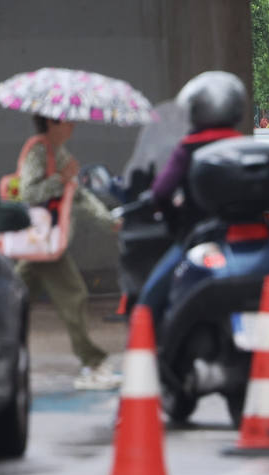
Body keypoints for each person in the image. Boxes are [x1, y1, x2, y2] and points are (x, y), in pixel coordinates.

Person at [16, 115, 122, 390]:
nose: (72, 126)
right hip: (44, 242)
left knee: (13, 299)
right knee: (74, 296)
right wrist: (58, 180)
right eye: (66, 122)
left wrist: (109, 221)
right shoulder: (38, 150)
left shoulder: (57, 153)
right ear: (51, 124)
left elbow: (79, 195)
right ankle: (92, 363)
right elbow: (28, 193)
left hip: (45, 244)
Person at [137, 71, 246, 328]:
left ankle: (149, 363)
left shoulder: (188, 148)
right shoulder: (243, 145)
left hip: (198, 239)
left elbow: (161, 191)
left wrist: (172, 218)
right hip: (244, 242)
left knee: (148, 302)